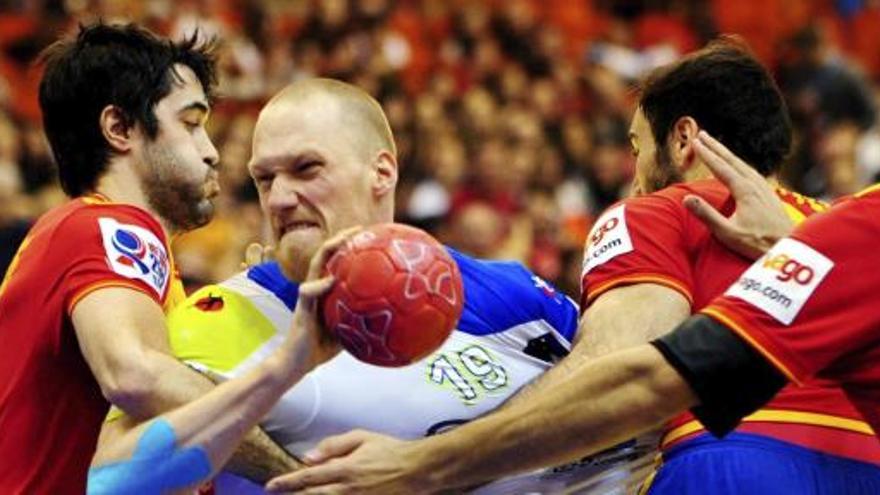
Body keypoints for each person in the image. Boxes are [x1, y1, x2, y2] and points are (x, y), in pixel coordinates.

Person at [268, 40, 880, 494]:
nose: (634, 172)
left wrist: (430, 463)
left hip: (737, 463)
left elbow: (617, 370)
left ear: (683, 138)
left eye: (638, 146)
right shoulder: (840, 227)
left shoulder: (655, 214)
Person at [98, 77, 583, 494]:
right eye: (264, 179)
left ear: (382, 172)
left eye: (307, 169)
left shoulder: (515, 295)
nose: (281, 198)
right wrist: (281, 381)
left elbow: (620, 385)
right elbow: (107, 481)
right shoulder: (222, 315)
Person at [0, 22, 294, 493]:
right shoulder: (105, 226)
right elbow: (136, 374)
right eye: (192, 124)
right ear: (120, 128)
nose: (212, 152)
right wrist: (297, 475)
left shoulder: (100, 243)